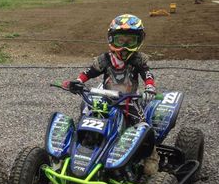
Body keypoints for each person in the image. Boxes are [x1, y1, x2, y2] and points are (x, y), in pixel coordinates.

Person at [62, 14, 159, 175]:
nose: (124, 47)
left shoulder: (138, 60)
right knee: (86, 115)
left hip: (128, 101)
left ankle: (152, 157)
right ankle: (77, 149)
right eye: (121, 40)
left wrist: (150, 88)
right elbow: (89, 72)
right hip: (105, 98)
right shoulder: (105, 59)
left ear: (139, 40)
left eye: (130, 41)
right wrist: (78, 81)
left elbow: (148, 75)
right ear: (112, 39)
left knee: (143, 126)